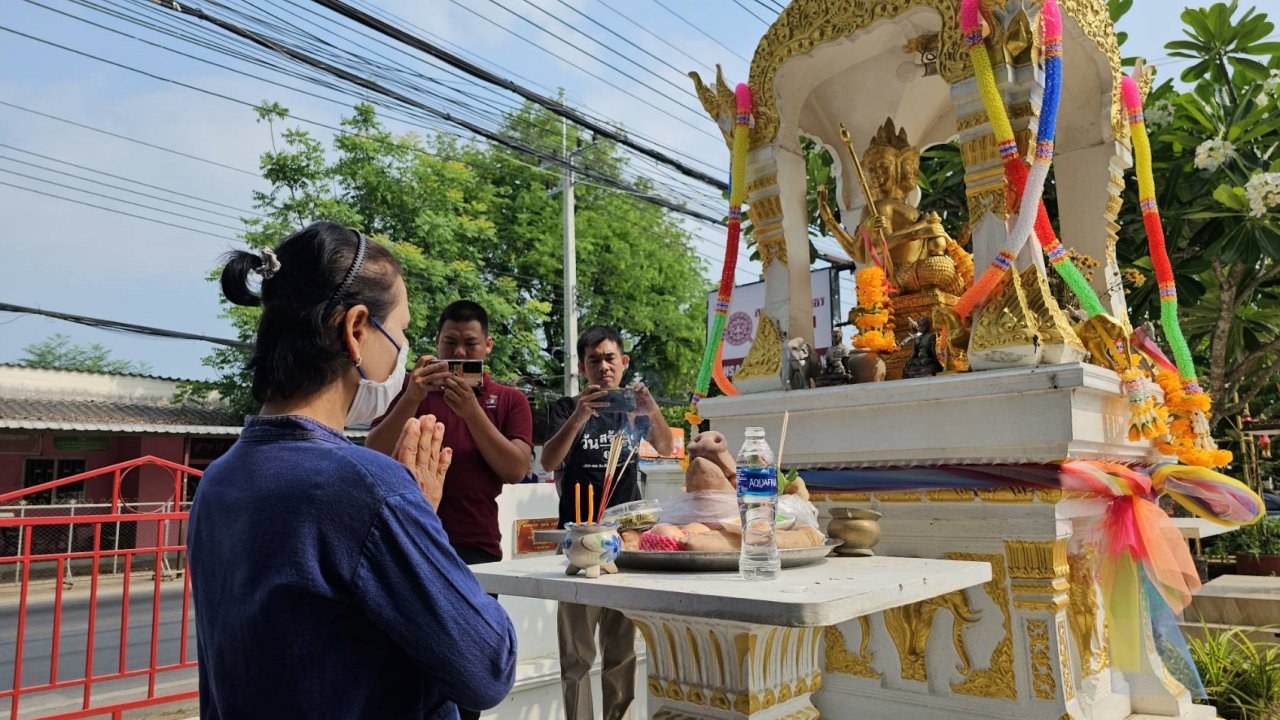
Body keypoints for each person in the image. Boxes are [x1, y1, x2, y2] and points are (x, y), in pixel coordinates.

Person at [188, 222, 516, 720]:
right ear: (356, 329)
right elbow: (489, 667)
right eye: (401, 331)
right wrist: (418, 519)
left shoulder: (219, 479)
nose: (403, 353)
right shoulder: (370, 489)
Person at [540, 325, 673, 720]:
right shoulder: (567, 408)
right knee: (577, 655)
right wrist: (580, 415)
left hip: (625, 542)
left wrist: (652, 411)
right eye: (593, 360)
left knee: (621, 652)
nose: (603, 367)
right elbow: (548, 462)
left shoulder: (631, 410)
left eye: (610, 358)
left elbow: (666, 448)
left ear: (623, 363)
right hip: (579, 542)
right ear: (582, 367)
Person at [366, 300, 534, 568]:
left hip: (475, 544)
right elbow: (372, 455)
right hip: (405, 537)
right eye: (450, 342)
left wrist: (472, 412)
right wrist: (411, 398)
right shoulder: (409, 387)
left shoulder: (508, 399)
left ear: (488, 345)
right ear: (437, 341)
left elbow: (516, 470)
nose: (459, 352)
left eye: (470, 344)